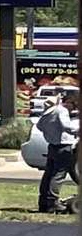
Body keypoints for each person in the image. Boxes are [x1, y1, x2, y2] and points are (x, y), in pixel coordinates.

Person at [34, 87, 78, 216]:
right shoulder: (62, 110)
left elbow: (39, 126)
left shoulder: (49, 112)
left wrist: (51, 133)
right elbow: (67, 127)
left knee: (48, 174)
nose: (74, 108)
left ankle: (44, 202)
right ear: (68, 102)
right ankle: (53, 203)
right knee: (58, 175)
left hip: (52, 146)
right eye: (73, 105)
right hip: (63, 146)